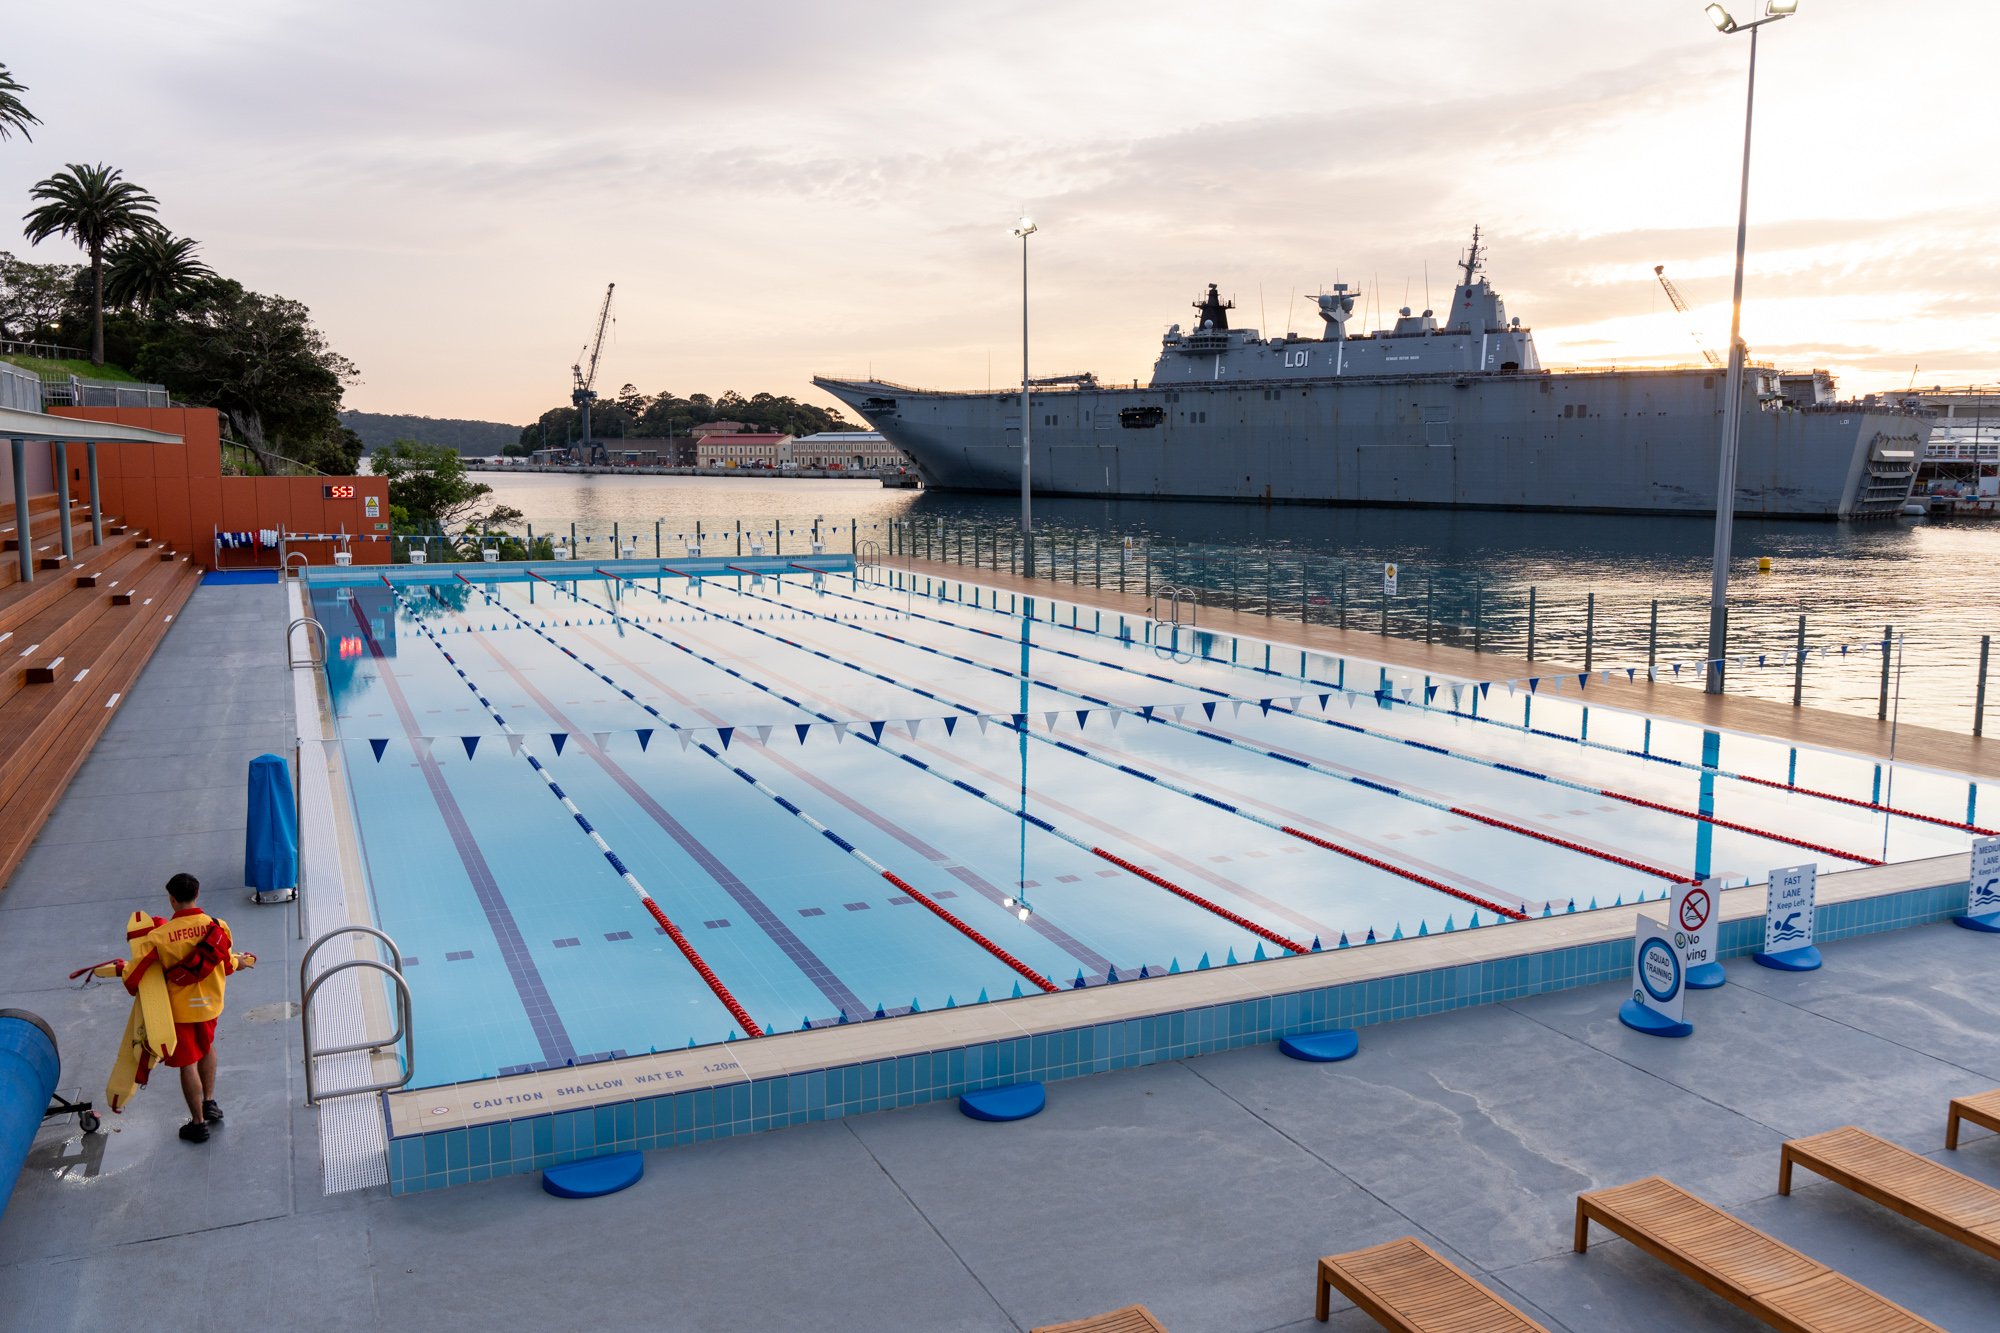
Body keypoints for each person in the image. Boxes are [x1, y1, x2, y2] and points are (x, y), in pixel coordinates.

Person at [121, 873, 255, 1143]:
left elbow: (133, 977)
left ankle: (198, 1124)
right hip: (211, 1006)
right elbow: (228, 965)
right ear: (197, 894)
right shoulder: (217, 926)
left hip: (179, 1011)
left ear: (172, 900)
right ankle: (209, 1101)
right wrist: (242, 961)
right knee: (207, 1048)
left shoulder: (158, 937)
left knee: (187, 1063)